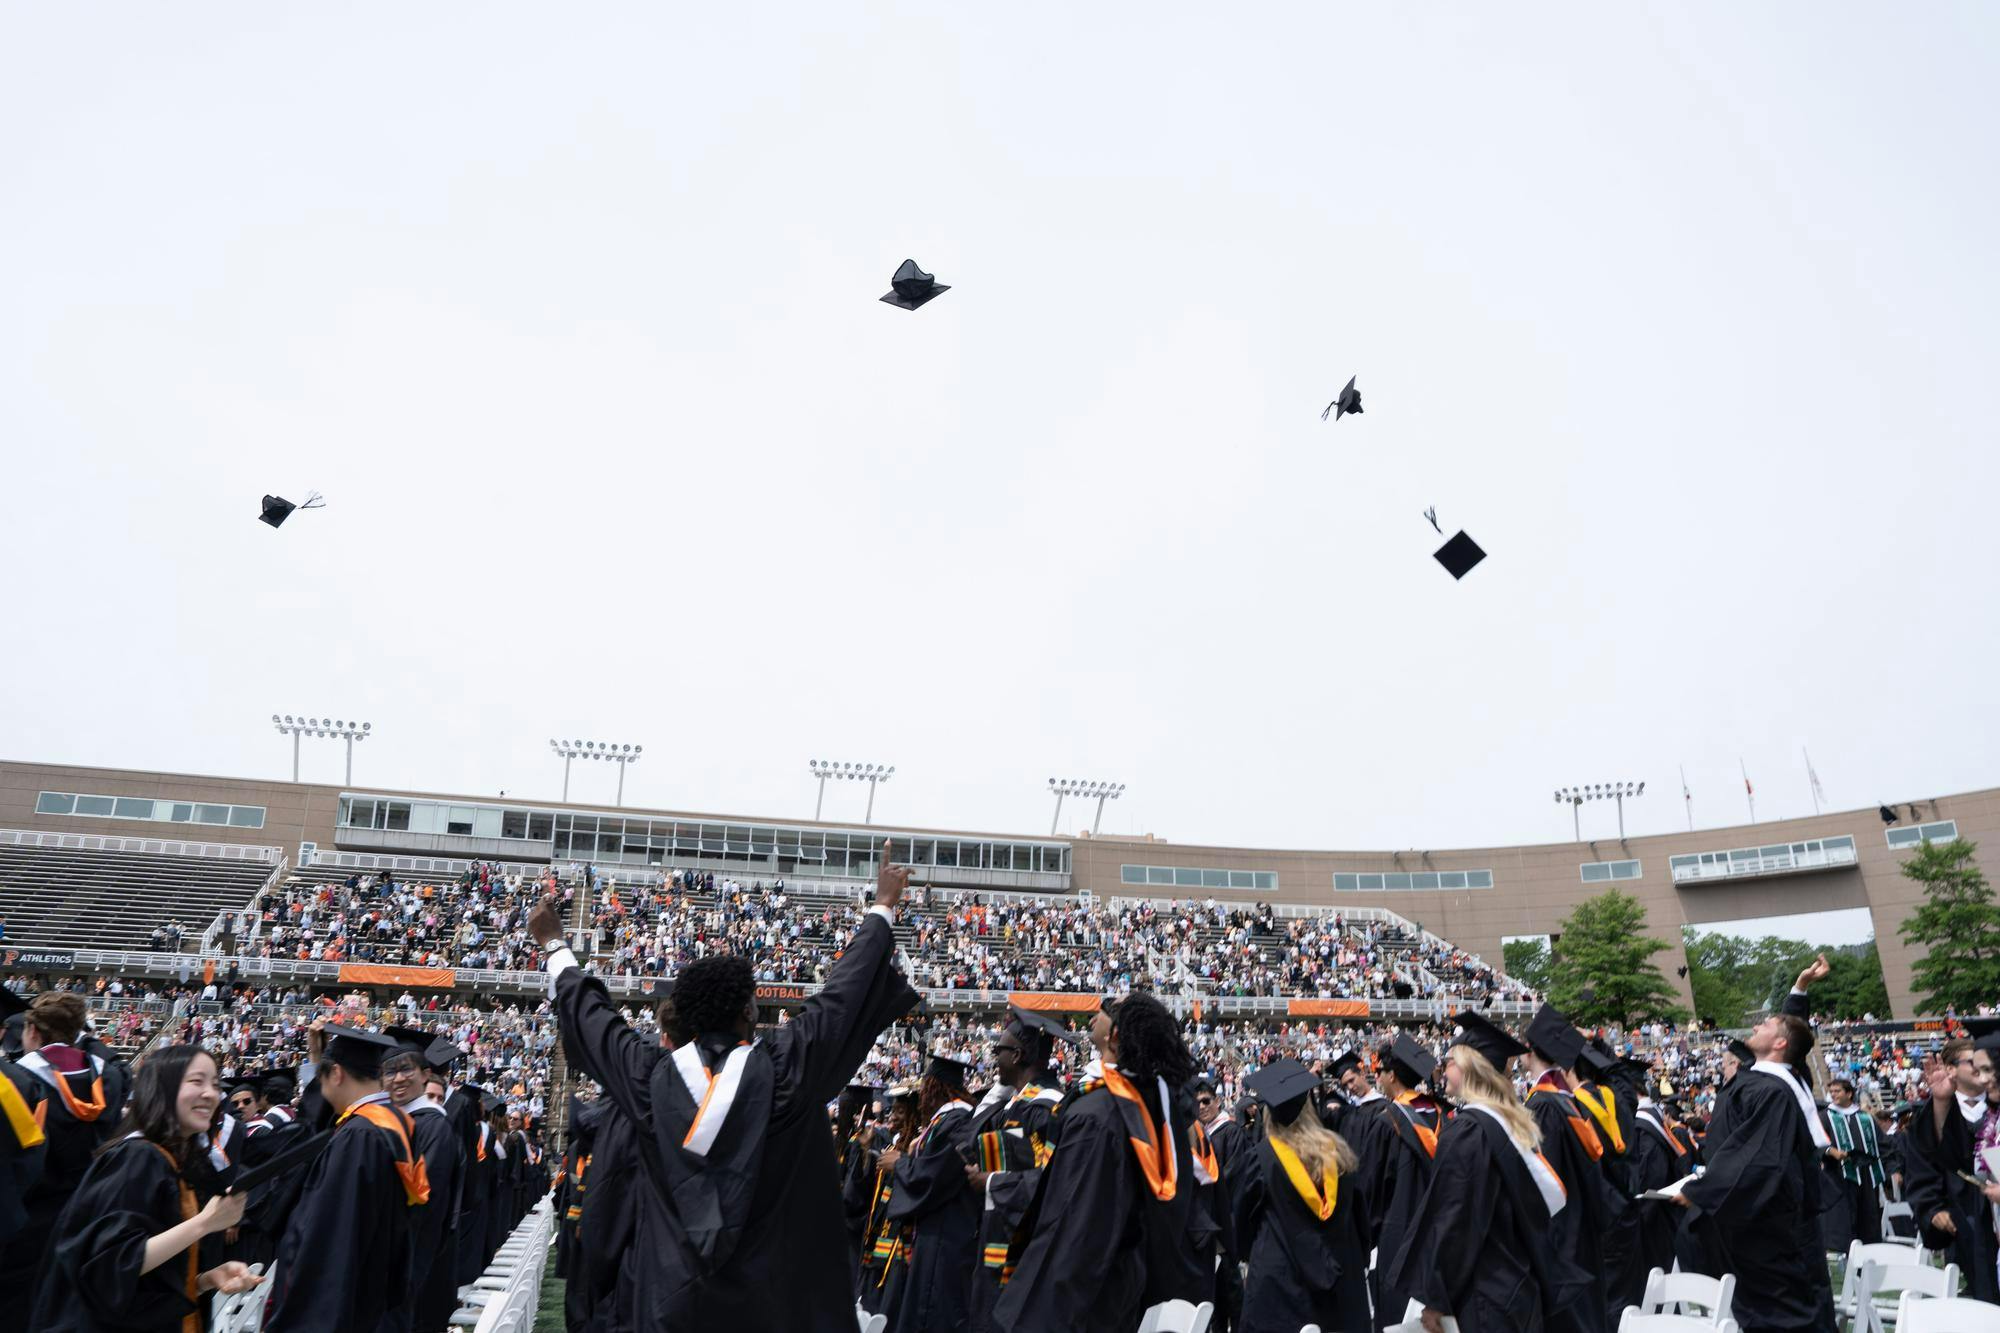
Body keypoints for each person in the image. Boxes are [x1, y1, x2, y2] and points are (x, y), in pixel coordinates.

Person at [534, 842, 919, 1333]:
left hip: (668, 1308)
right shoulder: (786, 1073)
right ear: (748, 1014)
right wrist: (882, 906)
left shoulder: (650, 1080)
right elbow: (842, 995)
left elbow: (595, 1021)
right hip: (769, 1309)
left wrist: (555, 945)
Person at [992, 993, 1206, 1333]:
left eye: (1109, 1011)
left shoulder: (1100, 1116)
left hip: (1081, 1299)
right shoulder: (1141, 1104)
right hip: (1116, 1284)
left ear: (1116, 1035)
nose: (1096, 1013)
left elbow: (1076, 1224)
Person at [28, 1044, 261, 1332]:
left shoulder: (172, 1160)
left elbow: (144, 1279)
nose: (211, 1094)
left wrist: (204, 1280)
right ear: (162, 1087)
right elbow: (108, 1266)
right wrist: (205, 1223)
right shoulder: (137, 1158)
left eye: (214, 1084)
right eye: (196, 1081)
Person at [1386, 1011, 1578, 1333]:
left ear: (1469, 1069)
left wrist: (1435, 1298)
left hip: (1484, 1296)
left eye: (1449, 1062)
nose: (1441, 1069)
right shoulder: (1511, 1124)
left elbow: (1455, 1220)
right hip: (1516, 1286)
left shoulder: (1470, 1131)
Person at [1677, 993, 1838, 1332]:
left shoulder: (1773, 1089)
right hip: (1752, 1223)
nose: (1754, 1024)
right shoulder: (1764, 1082)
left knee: (1782, 1317)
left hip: (1768, 1226)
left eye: (1764, 1023)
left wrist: (1701, 1191)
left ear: (1779, 1042)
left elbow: (1757, 1156)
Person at [262, 1025, 432, 1333]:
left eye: (322, 1077)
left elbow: (332, 1243)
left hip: (344, 1311)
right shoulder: (396, 1124)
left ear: (337, 1073)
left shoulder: (359, 1137)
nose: (321, 1088)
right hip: (373, 1299)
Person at [0, 991, 131, 1296]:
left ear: (32, 1031)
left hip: (32, 1224)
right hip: (93, 1217)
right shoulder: (109, 1079)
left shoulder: (19, 1082)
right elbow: (119, 1066)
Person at [1230, 1058, 1372, 1333]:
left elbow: (1241, 1229)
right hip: (1340, 1291)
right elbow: (1361, 1225)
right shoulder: (1341, 1155)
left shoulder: (1261, 1160)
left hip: (1279, 1291)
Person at [962, 1007, 1066, 1333]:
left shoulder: (1046, 1109)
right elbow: (969, 1137)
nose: (994, 1057)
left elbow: (1050, 1181)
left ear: (1018, 1054)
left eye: (999, 1050)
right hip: (998, 1238)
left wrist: (991, 1181)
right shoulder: (1018, 1103)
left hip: (1021, 1252)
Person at [1520, 1006, 1619, 1333]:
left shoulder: (1543, 1105)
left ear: (1530, 1051)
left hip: (1561, 1234)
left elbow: (1543, 1181)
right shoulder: (1566, 1100)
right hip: (1581, 1225)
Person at [884, 1049, 979, 1333]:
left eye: (926, 1084)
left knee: (935, 1312)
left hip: (945, 1237)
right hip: (935, 1234)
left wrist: (900, 1163)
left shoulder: (956, 1122)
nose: (922, 1092)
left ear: (934, 1087)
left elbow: (933, 1178)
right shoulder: (944, 1121)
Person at [1906, 1031, 2000, 1304]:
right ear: (1951, 1070)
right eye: (1975, 1064)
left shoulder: (1994, 1110)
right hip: (1965, 1219)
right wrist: (1932, 1208)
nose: (1983, 1072)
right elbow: (1930, 1160)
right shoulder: (1934, 1114)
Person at [383, 1028, 466, 1333]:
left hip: (405, 1256)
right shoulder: (389, 1119)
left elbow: (422, 1200)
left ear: (425, 1074)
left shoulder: (433, 1127)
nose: (398, 1077)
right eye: (390, 1070)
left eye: (406, 1069)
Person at [1359, 1034, 1443, 1333]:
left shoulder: (1388, 1122)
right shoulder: (1443, 1115)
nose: (1378, 1076)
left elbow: (1370, 1193)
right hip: (1443, 1237)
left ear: (1392, 1075)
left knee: (1398, 1322)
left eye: (1381, 1070)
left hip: (1400, 1242)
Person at [1819, 1077, 1885, 1252]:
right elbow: (1814, 1140)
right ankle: (1845, 1253)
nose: (1833, 1095)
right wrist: (1830, 1151)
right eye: (1831, 1091)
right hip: (1839, 1176)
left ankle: (1868, 1253)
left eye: (1837, 1091)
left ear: (1849, 1093)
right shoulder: (1825, 1116)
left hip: (1866, 1175)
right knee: (1844, 1217)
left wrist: (1893, 1169)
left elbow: (1883, 1144)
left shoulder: (1865, 1117)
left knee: (1868, 1218)